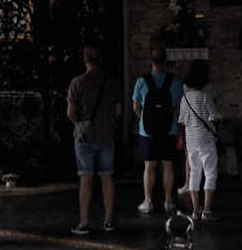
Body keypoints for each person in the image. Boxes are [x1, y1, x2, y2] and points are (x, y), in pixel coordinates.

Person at [66, 43, 122, 236]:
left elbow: (70, 113)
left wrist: (81, 123)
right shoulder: (112, 82)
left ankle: (84, 222)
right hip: (106, 136)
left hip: (85, 137)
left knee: (86, 179)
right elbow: (118, 111)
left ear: (85, 60)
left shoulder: (77, 82)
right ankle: (109, 221)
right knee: (107, 177)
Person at [131, 46, 183, 214]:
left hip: (147, 131)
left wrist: (144, 119)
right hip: (169, 129)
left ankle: (148, 201)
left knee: (149, 166)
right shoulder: (176, 82)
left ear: (151, 61)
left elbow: (136, 107)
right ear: (166, 61)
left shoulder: (141, 81)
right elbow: (178, 108)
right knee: (168, 165)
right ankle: (168, 201)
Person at [178, 59, 220, 220]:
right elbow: (214, 115)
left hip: (191, 140)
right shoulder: (204, 96)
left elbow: (182, 121)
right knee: (210, 173)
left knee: (194, 173)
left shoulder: (185, 98)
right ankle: (207, 211)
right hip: (206, 138)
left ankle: (195, 211)